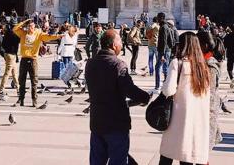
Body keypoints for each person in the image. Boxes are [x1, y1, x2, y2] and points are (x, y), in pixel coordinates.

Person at [85, 29, 150, 165]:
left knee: (97, 161)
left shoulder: (90, 63)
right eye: (120, 40)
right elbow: (130, 90)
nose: (122, 43)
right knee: (118, 160)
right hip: (115, 123)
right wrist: (145, 97)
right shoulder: (117, 64)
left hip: (97, 121)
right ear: (114, 45)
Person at [158, 32, 210, 165]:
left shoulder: (178, 63)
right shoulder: (203, 67)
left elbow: (168, 90)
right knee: (187, 157)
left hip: (178, 119)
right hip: (197, 120)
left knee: (167, 156)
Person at [12, 19, 63, 107]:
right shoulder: (23, 33)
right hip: (24, 59)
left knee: (34, 81)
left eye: (31, 26)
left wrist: (58, 36)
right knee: (22, 81)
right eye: (28, 26)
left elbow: (48, 37)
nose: (29, 28)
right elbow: (15, 29)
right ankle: (21, 99)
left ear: (34, 26)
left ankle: (34, 100)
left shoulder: (38, 34)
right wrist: (24, 22)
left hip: (33, 60)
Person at [197, 29, 222, 152]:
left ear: (205, 46)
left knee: (202, 154)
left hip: (206, 115)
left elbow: (210, 95)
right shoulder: (202, 62)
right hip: (201, 114)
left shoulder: (210, 65)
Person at [0, 20, 20, 97]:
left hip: (7, 54)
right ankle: (1, 90)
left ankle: (18, 89)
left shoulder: (7, 33)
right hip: (11, 55)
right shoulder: (15, 34)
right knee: (7, 73)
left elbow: (3, 44)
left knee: (14, 73)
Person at [155, 12, 175, 91]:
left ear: (160, 18)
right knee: (165, 67)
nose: (157, 19)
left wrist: (162, 54)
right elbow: (171, 40)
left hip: (163, 51)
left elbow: (164, 41)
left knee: (159, 68)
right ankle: (167, 85)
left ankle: (158, 85)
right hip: (167, 50)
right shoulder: (168, 26)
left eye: (158, 18)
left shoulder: (163, 27)